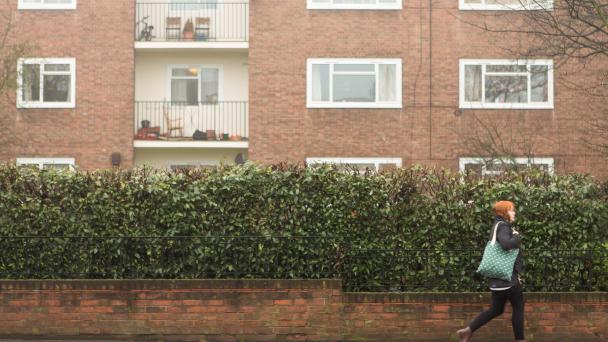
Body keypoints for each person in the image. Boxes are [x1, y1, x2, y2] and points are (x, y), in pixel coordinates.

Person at [457, 200, 524, 342]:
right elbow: (506, 244)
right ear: (505, 212)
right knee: (518, 307)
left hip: (497, 280)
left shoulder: (497, 226)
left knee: (496, 309)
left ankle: (467, 331)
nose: (514, 212)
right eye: (512, 210)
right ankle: (520, 340)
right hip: (508, 279)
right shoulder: (504, 227)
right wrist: (517, 238)